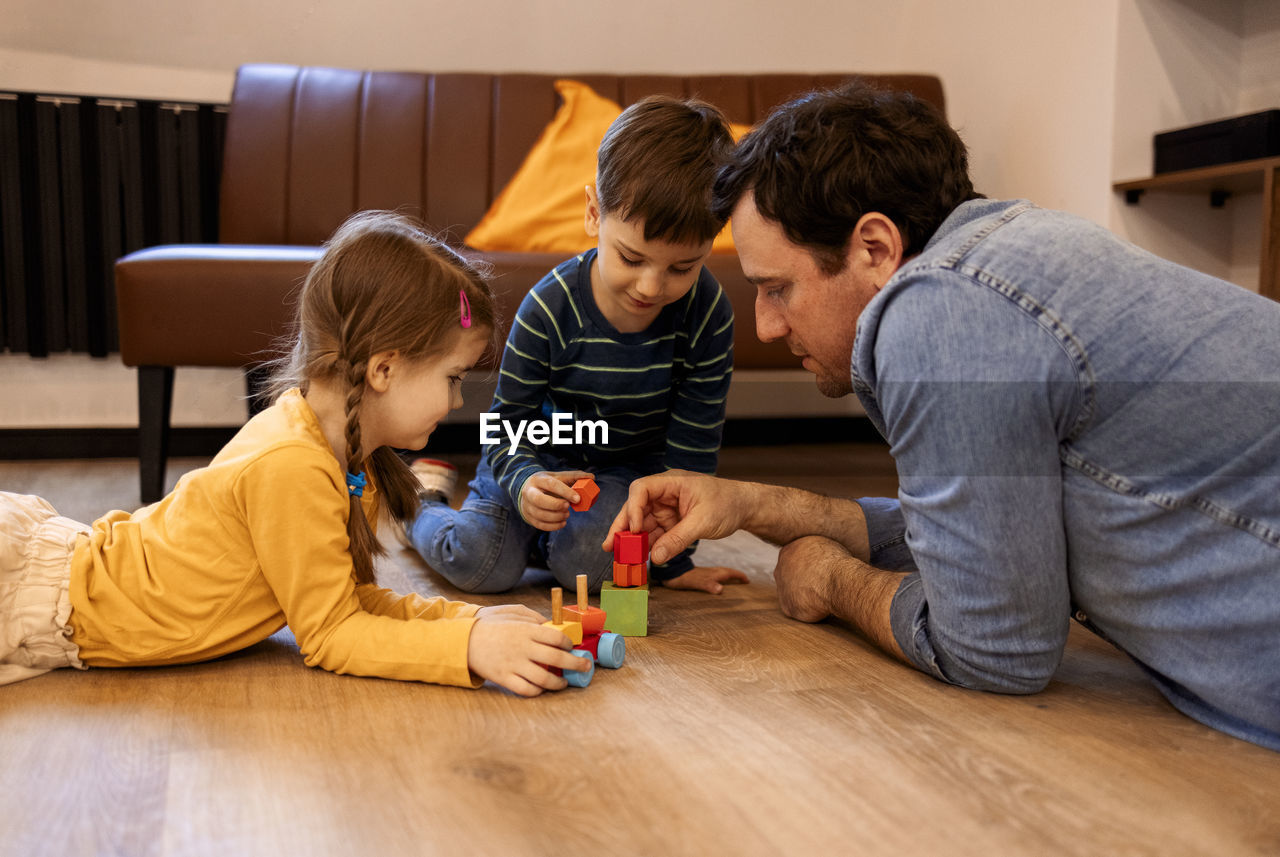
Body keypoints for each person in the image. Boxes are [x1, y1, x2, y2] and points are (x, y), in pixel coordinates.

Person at [606, 82, 1280, 751]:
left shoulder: (940, 312)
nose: (766, 324)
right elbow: (987, 531)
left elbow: (997, 646)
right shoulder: (1011, 246)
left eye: (778, 288)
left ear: (874, 248)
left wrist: (834, 580)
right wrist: (753, 505)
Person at [0, 211, 588, 697]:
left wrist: (472, 621)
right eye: (454, 377)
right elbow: (333, 635)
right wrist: (469, 649)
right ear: (384, 369)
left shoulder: (347, 454)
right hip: (40, 592)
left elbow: (348, 601)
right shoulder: (294, 466)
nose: (460, 399)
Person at [404, 96, 749, 596]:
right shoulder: (549, 307)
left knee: (597, 571)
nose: (651, 288)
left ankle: (549, 546)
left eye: (682, 268)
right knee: (478, 564)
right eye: (631, 257)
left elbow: (692, 448)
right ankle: (418, 504)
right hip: (531, 460)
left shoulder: (708, 314)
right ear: (593, 213)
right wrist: (523, 482)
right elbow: (506, 425)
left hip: (623, 476)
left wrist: (673, 560)